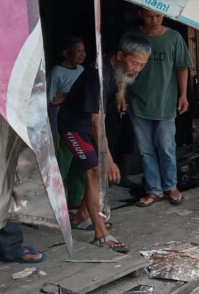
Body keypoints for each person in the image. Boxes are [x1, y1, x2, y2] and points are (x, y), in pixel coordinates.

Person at [58, 35, 151, 251]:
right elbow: (96, 123)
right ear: (121, 56)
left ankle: (82, 215)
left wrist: (120, 96)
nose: (137, 69)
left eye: (142, 65)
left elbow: (122, 80)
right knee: (95, 170)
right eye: (134, 63)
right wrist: (108, 159)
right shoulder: (99, 75)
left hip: (88, 125)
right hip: (73, 125)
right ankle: (101, 234)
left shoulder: (116, 65)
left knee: (97, 170)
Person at [126, 8, 193, 207]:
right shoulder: (133, 37)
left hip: (165, 103)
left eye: (158, 15)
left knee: (166, 148)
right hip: (138, 102)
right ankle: (154, 190)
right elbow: (121, 67)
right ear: (139, 13)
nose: (154, 20)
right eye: (149, 15)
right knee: (146, 150)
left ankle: (170, 186)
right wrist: (121, 95)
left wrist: (183, 95)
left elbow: (182, 67)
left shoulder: (173, 38)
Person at [48, 37, 88, 216]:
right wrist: (69, 97)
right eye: (78, 50)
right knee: (60, 167)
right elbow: (49, 100)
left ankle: (75, 200)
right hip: (60, 127)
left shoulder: (81, 70)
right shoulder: (57, 72)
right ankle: (53, 204)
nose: (82, 54)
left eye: (83, 50)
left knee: (79, 165)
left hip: (78, 125)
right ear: (66, 53)